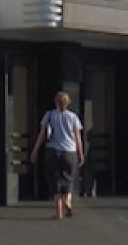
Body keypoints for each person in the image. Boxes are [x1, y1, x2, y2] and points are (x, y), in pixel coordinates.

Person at [30, 91, 85, 220]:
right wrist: (81, 153)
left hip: (52, 151)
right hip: (69, 152)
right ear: (68, 102)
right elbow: (78, 138)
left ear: (56, 102)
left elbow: (42, 135)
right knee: (69, 179)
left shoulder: (49, 115)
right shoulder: (73, 117)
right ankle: (68, 200)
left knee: (54, 181)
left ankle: (58, 212)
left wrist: (35, 150)